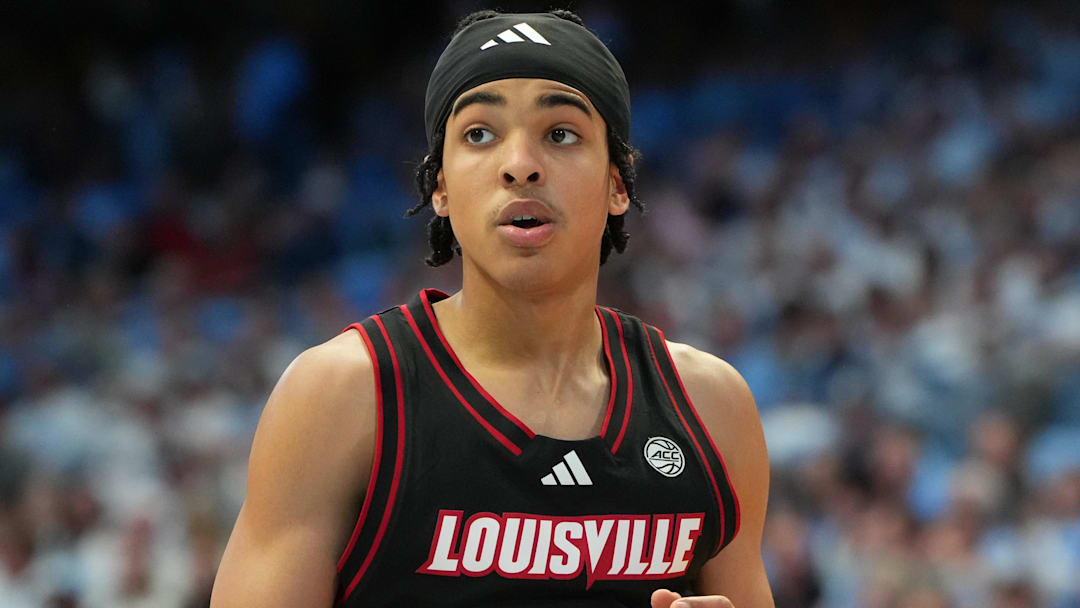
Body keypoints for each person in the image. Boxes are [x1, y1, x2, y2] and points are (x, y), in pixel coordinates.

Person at [211, 9, 773, 608]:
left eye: (561, 133)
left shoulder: (711, 406)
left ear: (618, 183)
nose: (520, 163)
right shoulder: (343, 396)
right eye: (479, 133)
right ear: (441, 187)